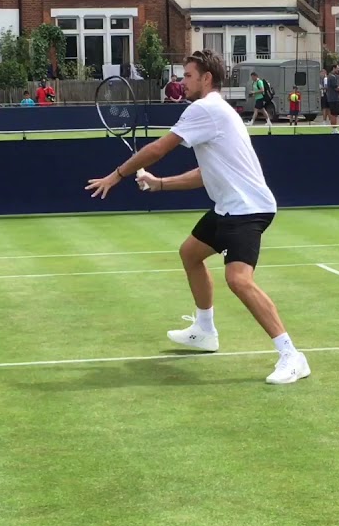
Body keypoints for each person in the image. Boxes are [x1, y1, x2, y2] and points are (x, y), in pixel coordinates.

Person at [84, 50, 309, 384]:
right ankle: (205, 331)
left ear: (206, 78)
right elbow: (207, 173)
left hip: (248, 209)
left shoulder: (205, 108)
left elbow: (159, 148)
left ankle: (292, 356)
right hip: (228, 206)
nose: (182, 81)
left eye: (188, 75)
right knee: (190, 253)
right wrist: (160, 184)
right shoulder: (218, 112)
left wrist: (116, 175)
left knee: (238, 280)